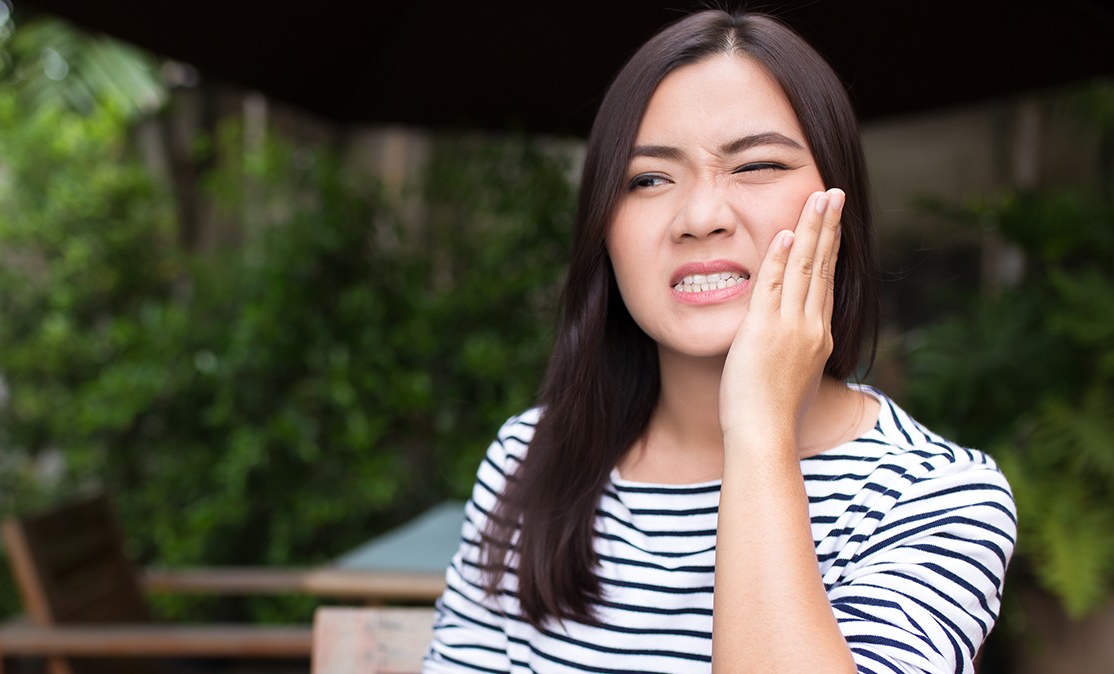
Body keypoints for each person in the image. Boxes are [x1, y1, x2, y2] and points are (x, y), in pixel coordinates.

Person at [424, 8, 1016, 674]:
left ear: (839, 202)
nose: (700, 217)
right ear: (602, 228)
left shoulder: (933, 496)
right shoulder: (531, 460)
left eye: (756, 165)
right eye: (648, 179)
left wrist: (760, 426)